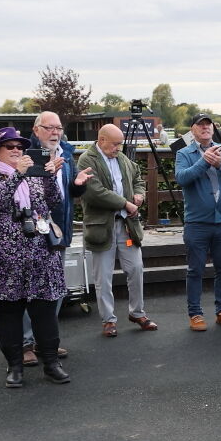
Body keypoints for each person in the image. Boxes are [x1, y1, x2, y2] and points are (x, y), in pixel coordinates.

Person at [0, 128, 87, 387]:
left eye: (19, 146)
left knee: (44, 312)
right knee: (9, 314)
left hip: (38, 256)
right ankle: (15, 367)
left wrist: (50, 177)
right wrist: (17, 175)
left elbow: (52, 202)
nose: (16, 150)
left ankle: (52, 364)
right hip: (3, 261)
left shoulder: (34, 176)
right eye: (9, 146)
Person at [78, 124, 158, 337]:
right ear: (101, 140)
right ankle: (108, 320)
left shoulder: (122, 158)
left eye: (120, 143)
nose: (118, 148)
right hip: (102, 227)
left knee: (136, 269)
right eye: (115, 144)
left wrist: (139, 194)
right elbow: (94, 192)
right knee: (103, 277)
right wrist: (126, 204)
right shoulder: (86, 159)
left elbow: (138, 177)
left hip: (126, 227)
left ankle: (137, 313)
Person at [19, 112, 84, 365]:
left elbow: (70, 191)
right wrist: (45, 173)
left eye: (58, 128)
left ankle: (45, 340)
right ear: (36, 130)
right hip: (33, 233)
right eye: (49, 128)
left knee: (56, 289)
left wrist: (79, 184)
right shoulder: (26, 154)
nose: (55, 132)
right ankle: (25, 343)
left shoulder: (66, 152)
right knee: (30, 290)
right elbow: (23, 190)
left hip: (60, 231)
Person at [174, 113, 221, 331]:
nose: (205, 128)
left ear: (213, 128)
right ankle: (195, 314)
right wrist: (204, 162)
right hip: (197, 223)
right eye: (200, 125)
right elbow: (182, 178)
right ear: (192, 130)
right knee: (195, 270)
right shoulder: (184, 153)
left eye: (208, 124)